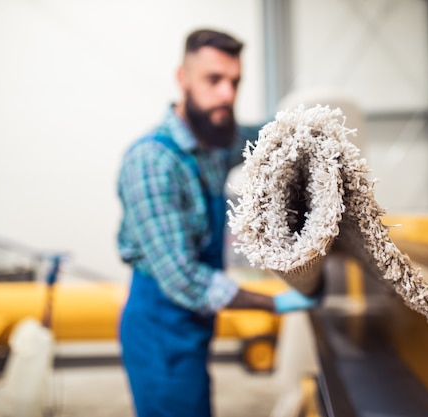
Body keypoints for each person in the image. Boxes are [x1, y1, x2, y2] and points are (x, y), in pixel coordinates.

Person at [117, 29, 319, 417]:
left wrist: (311, 127)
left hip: (193, 324)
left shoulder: (216, 142)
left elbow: (266, 134)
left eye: (234, 82)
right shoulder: (152, 163)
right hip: (161, 328)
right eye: (214, 80)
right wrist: (275, 302)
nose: (227, 94)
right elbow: (183, 278)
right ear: (183, 79)